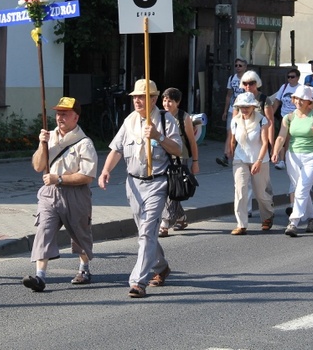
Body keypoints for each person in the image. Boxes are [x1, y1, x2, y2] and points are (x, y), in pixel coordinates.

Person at [98, 79, 181, 298]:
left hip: (157, 182)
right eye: (134, 97)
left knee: (146, 232)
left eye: (141, 97)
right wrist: (106, 170)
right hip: (133, 184)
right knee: (146, 232)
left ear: (153, 99)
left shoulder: (165, 120)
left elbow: (179, 150)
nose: (136, 100)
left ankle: (138, 282)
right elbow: (116, 149)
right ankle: (161, 266)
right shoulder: (130, 121)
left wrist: (158, 136)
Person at [22, 97, 98, 292]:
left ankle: (84, 268)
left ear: (76, 117)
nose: (59, 117)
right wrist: (42, 144)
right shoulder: (49, 137)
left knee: (80, 234)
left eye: (64, 113)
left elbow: (88, 176)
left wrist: (60, 179)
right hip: (50, 194)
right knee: (44, 229)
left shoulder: (84, 143)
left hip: (76, 194)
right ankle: (40, 276)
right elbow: (38, 166)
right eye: (58, 113)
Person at [272, 86, 313, 237]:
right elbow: (281, 137)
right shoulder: (289, 117)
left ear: (309, 101)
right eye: (296, 98)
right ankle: (312, 218)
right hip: (293, 156)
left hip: (312, 156)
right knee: (299, 189)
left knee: (302, 189)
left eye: (301, 99)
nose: (297, 101)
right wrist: (276, 151)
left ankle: (293, 222)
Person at [228, 92, 275, 235]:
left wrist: (259, 161)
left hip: (260, 160)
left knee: (260, 193)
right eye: (241, 107)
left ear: (253, 107)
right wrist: (231, 153)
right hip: (240, 160)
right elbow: (232, 140)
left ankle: (267, 216)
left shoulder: (262, 120)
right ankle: (241, 224)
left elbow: (265, 143)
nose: (244, 109)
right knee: (240, 190)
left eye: (247, 106)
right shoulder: (235, 120)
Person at [158, 88, 200, 237]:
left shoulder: (184, 117)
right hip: (164, 158)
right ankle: (181, 218)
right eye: (164, 100)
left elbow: (192, 142)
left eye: (170, 101)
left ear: (177, 102)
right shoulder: (160, 115)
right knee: (169, 190)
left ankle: (165, 223)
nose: (166, 103)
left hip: (180, 158)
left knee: (174, 189)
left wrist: (195, 162)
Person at [217, 58, 247, 167]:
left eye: (240, 65)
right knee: (230, 132)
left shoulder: (247, 79)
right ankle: (226, 156)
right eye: (236, 65)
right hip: (232, 109)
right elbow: (229, 95)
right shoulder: (231, 78)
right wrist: (225, 111)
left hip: (244, 110)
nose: (238, 67)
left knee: (242, 134)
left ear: (245, 67)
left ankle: (238, 156)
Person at [272, 68, 302, 170]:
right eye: (288, 77)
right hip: (283, 116)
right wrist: (271, 114)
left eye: (292, 77)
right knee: (281, 137)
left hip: (295, 117)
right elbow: (277, 101)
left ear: (298, 78)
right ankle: (281, 160)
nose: (290, 79)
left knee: (289, 138)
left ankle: (288, 159)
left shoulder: (300, 88)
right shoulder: (284, 87)